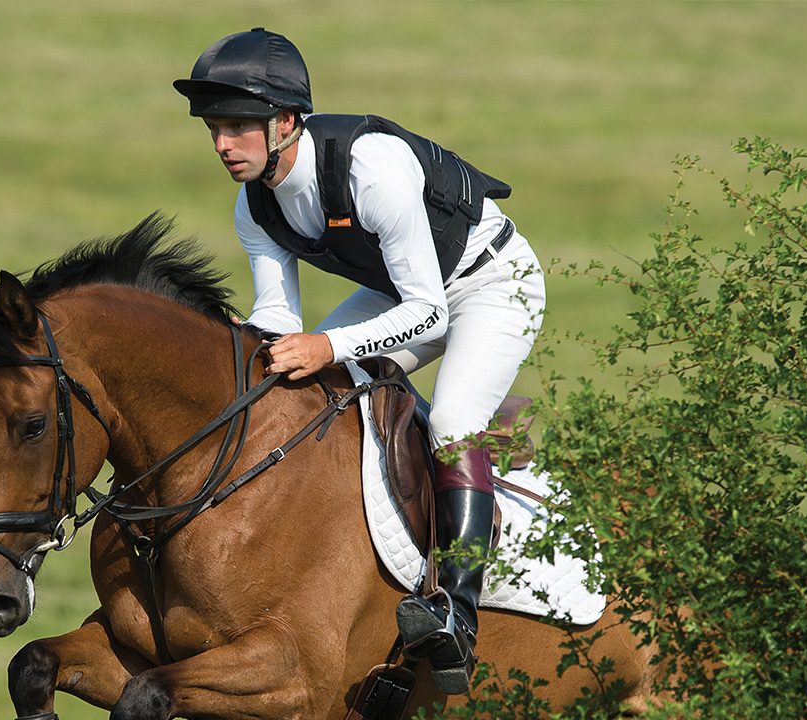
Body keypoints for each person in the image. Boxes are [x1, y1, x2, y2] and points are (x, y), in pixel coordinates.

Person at [173, 28, 547, 694]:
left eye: (237, 127)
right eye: (214, 129)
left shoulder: (370, 168)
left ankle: (455, 614)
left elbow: (429, 313)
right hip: (401, 288)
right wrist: (243, 337)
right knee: (307, 386)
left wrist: (327, 344)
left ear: (285, 122)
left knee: (454, 421)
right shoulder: (253, 200)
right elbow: (280, 321)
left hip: (490, 284)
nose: (222, 145)